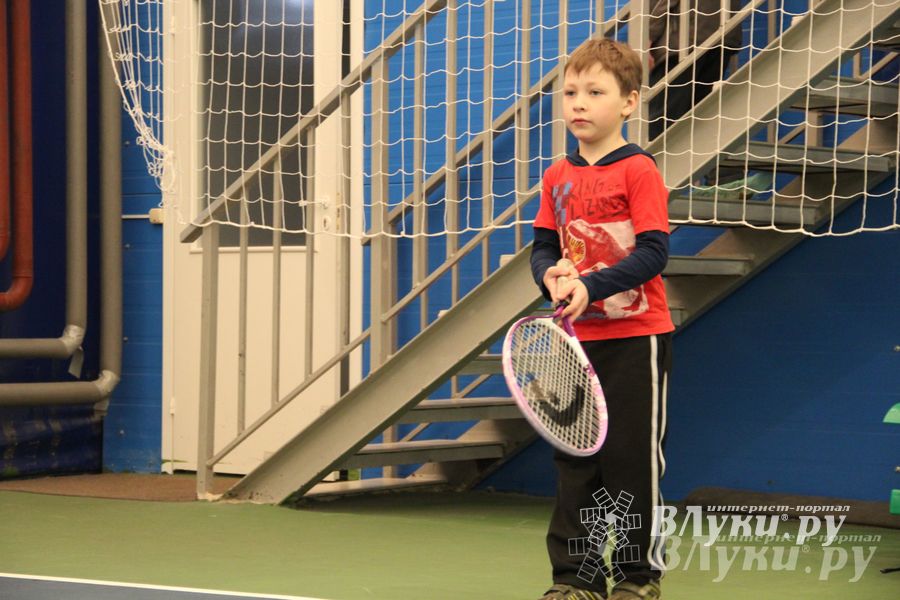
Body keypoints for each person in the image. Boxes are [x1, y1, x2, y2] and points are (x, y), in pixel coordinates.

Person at [530, 37, 674, 600]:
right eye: (570, 93)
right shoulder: (556, 175)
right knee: (576, 461)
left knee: (631, 463)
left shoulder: (639, 170)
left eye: (594, 92)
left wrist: (590, 285)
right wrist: (550, 277)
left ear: (629, 102)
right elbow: (544, 247)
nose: (579, 104)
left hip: (637, 339)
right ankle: (576, 578)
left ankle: (638, 577)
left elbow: (653, 253)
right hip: (574, 344)